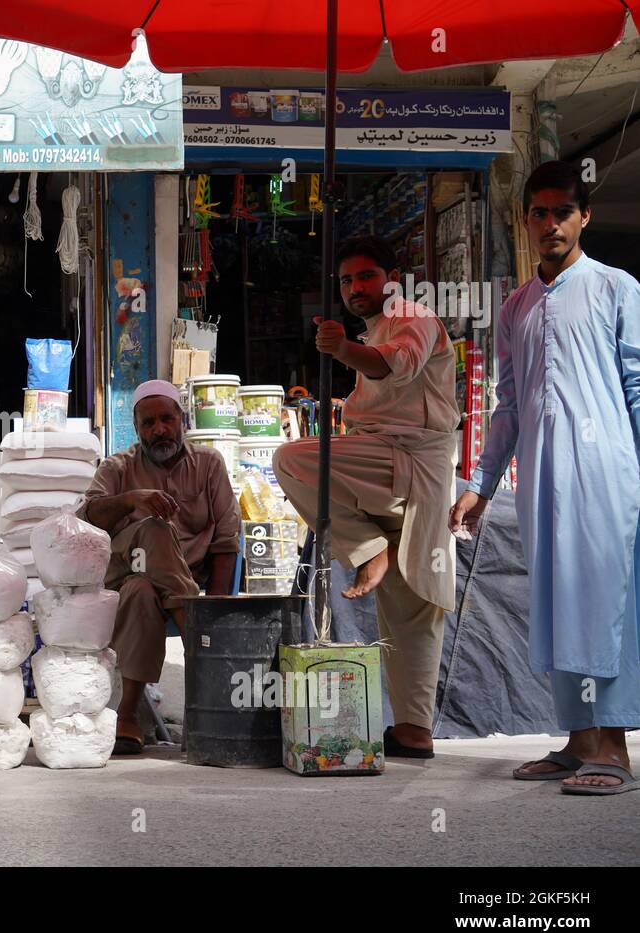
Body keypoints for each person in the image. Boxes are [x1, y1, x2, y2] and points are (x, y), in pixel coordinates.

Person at [451, 160, 640, 796]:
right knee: (555, 603)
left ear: (584, 216)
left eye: (564, 211)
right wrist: (480, 482)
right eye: (540, 212)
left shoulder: (617, 288)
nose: (551, 223)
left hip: (605, 472)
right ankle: (576, 740)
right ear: (526, 219)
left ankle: (612, 747)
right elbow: (507, 405)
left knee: (602, 601)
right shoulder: (516, 307)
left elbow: (638, 387)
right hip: (539, 479)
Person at [273, 236, 460, 760]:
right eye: (346, 280)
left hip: (411, 462)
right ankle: (414, 730)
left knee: (294, 460)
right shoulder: (378, 325)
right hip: (385, 463)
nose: (355, 288)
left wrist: (344, 351)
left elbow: (392, 365)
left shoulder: (413, 317)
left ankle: (365, 548)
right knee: (408, 595)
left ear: (391, 278)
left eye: (366, 277)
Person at [76, 379, 241, 755]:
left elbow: (227, 543)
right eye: (148, 423)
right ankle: (203, 655)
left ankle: (128, 714)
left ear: (182, 419)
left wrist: (214, 609)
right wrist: (130, 499)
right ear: (136, 429)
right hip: (125, 570)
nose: (159, 430)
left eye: (167, 419)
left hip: (157, 587)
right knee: (152, 530)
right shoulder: (117, 467)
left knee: (143, 591)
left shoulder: (209, 465)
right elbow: (87, 518)